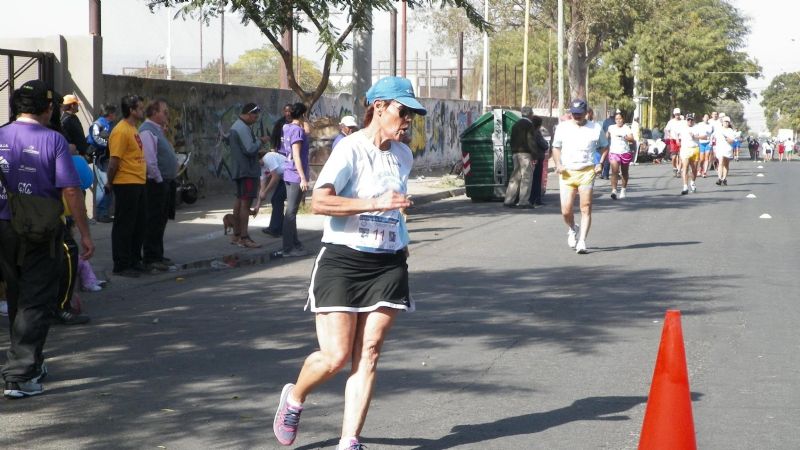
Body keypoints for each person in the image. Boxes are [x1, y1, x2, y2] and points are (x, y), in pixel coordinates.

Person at [271, 75, 421, 450]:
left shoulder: (404, 155)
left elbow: (391, 202)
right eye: (403, 112)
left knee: (368, 355)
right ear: (380, 107)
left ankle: (349, 441)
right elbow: (320, 202)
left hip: (388, 264)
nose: (408, 121)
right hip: (343, 261)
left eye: (413, 115)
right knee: (336, 357)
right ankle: (295, 398)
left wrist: (397, 224)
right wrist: (376, 204)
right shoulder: (350, 149)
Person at [0, 80, 94, 398]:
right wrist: (84, 232)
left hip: (3, 228)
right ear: (48, 108)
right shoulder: (53, 140)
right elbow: (70, 189)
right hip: (39, 229)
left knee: (17, 294)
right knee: (36, 299)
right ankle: (20, 375)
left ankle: (31, 362)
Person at [551, 99, 608, 254]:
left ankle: (582, 241)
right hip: (567, 172)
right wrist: (558, 164)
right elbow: (556, 147)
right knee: (566, 210)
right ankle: (572, 228)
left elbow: (604, 147)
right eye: (574, 114)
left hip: (587, 172)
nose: (576, 116)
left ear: (586, 113)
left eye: (579, 114)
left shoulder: (595, 128)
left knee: (585, 207)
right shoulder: (562, 128)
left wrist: (600, 163)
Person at [107, 94, 147, 277]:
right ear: (131, 110)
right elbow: (114, 161)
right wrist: (110, 182)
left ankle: (133, 259)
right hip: (126, 182)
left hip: (138, 181)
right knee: (124, 225)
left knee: (138, 224)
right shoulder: (121, 131)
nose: (142, 110)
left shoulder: (133, 129)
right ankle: (121, 264)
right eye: (139, 107)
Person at [139, 99, 179, 271]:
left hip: (164, 181)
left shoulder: (157, 130)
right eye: (164, 111)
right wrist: (159, 179)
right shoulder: (147, 131)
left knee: (161, 219)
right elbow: (150, 160)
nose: (167, 115)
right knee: (153, 220)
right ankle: (151, 256)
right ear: (154, 112)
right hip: (156, 183)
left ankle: (158, 254)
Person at [271, 102, 311, 258]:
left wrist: (302, 118)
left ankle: (294, 243)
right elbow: (296, 155)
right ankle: (288, 247)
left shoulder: (287, 127)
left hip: (289, 172)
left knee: (291, 211)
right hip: (295, 174)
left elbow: (308, 130)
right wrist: (302, 177)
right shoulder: (297, 131)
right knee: (291, 213)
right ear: (301, 115)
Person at [229, 102, 269, 248]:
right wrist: (261, 141)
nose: (256, 118)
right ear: (248, 113)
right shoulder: (242, 128)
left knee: (239, 202)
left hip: (240, 170)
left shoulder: (236, 126)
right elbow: (250, 149)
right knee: (245, 205)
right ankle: (244, 237)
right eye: (255, 115)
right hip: (247, 171)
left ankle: (236, 235)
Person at [503, 106, 542, 208]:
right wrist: (535, 155)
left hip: (515, 153)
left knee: (515, 177)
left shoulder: (516, 125)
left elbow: (511, 140)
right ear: (530, 114)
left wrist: (513, 151)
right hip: (525, 154)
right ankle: (523, 201)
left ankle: (509, 200)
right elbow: (531, 141)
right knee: (526, 177)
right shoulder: (529, 125)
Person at [87, 104, 117, 222]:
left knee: (104, 185)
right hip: (100, 158)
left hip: (105, 158)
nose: (115, 116)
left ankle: (103, 213)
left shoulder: (107, 124)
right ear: (110, 114)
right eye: (114, 113)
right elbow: (95, 138)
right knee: (105, 184)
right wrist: (109, 144)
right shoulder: (99, 124)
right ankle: (102, 213)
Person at [258, 150, 288, 237]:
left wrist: (266, 192)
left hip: (291, 175)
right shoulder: (262, 167)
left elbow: (275, 177)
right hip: (284, 177)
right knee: (276, 199)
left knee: (277, 199)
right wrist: (257, 206)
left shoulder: (268, 157)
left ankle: (276, 229)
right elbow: (262, 188)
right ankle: (279, 228)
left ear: (259, 159)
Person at [606, 111, 634, 199]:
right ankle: (614, 190)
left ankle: (623, 189)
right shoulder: (611, 127)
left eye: (620, 119)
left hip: (625, 152)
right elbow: (606, 136)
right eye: (616, 119)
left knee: (624, 172)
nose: (618, 120)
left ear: (623, 119)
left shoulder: (626, 128)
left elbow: (632, 139)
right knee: (614, 171)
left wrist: (625, 137)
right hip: (614, 152)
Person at [528, 115, 551, 206]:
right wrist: (546, 144)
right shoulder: (537, 133)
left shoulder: (530, 132)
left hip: (533, 157)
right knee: (537, 179)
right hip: (538, 157)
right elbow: (544, 144)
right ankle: (536, 199)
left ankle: (533, 198)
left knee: (533, 179)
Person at [60, 94, 90, 160]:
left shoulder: (73, 117)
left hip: (80, 156)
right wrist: (77, 153)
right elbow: (66, 140)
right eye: (77, 104)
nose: (78, 106)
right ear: (72, 105)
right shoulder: (66, 121)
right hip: (74, 157)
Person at [678, 113, 701, 195]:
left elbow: (704, 137)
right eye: (688, 119)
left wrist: (695, 136)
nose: (690, 121)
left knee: (694, 169)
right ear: (686, 120)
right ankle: (685, 187)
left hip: (695, 149)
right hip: (685, 149)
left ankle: (692, 182)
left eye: (691, 119)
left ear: (693, 120)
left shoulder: (697, 127)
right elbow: (676, 135)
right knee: (685, 168)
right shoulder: (682, 127)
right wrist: (677, 140)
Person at [714, 117, 736, 186]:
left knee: (726, 164)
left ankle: (724, 178)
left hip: (728, 148)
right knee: (720, 162)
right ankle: (719, 178)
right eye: (725, 121)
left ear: (729, 123)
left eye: (727, 122)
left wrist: (728, 139)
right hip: (720, 148)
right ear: (722, 122)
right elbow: (714, 138)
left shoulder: (730, 131)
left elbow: (732, 141)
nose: (726, 123)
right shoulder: (718, 129)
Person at [663, 108, 683, 176]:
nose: (678, 115)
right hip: (673, 140)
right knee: (674, 157)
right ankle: (674, 168)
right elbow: (666, 130)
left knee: (681, 156)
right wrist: (669, 135)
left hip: (681, 140)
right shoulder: (671, 122)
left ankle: (679, 170)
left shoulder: (683, 122)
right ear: (674, 114)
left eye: (679, 114)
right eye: (676, 114)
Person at [695, 114, 714, 178]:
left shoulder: (711, 126)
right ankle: (700, 169)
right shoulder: (699, 125)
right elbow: (696, 135)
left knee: (707, 157)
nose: (707, 118)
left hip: (708, 143)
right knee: (702, 159)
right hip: (701, 143)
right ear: (703, 118)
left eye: (708, 117)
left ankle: (705, 172)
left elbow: (712, 134)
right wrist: (700, 138)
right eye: (705, 117)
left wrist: (711, 141)